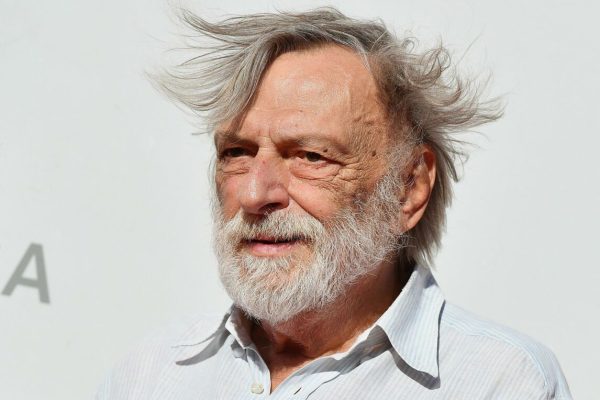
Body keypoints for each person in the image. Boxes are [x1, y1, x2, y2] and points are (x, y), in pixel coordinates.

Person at [97, 7, 572, 399]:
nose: (256, 193)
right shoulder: (151, 374)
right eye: (236, 154)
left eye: (310, 156)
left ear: (409, 188)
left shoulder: (502, 382)